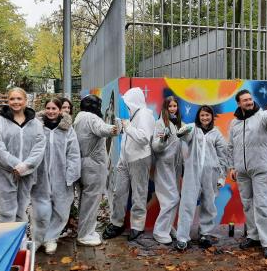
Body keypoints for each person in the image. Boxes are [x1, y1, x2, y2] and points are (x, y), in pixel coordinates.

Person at [227, 89, 267, 259]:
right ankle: (253, 236)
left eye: (250, 99)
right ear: (238, 103)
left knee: (263, 205)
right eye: (245, 100)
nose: (249, 102)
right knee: (247, 204)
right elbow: (230, 147)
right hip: (242, 171)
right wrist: (231, 167)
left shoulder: (263, 116)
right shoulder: (234, 123)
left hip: (260, 168)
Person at [102, 87, 155, 241]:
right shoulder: (135, 114)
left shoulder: (145, 115)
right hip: (125, 159)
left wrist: (128, 127)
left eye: (128, 101)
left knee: (139, 194)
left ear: (134, 101)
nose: (126, 104)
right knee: (119, 192)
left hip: (139, 159)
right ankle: (116, 223)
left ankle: (137, 226)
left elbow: (144, 138)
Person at [0, 87, 46, 223]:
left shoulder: (35, 123)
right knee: (5, 213)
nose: (15, 102)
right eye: (12, 99)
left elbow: (39, 146)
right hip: (4, 174)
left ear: (25, 101)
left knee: (21, 210)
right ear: (7, 101)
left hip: (27, 173)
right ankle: (5, 243)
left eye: (19, 98)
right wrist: (15, 165)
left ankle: (20, 242)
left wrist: (26, 165)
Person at [174, 105, 228, 251]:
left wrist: (222, 176)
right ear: (198, 116)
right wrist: (183, 133)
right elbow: (186, 136)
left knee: (209, 204)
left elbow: (223, 155)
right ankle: (183, 238)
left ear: (211, 116)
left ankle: (205, 233)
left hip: (211, 174)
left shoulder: (217, 133)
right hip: (192, 172)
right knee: (187, 203)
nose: (205, 118)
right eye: (202, 115)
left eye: (207, 115)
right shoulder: (192, 128)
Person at [31, 98, 81, 254]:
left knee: (61, 209)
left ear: (60, 110)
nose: (51, 111)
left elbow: (73, 154)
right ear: (44, 109)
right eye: (48, 108)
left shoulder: (68, 130)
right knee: (40, 210)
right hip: (40, 176)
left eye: (54, 108)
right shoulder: (36, 128)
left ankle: (51, 238)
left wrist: (71, 174)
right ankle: (38, 239)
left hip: (61, 176)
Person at [73, 94, 120, 246]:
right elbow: (102, 129)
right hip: (93, 166)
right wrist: (114, 128)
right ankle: (85, 234)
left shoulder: (79, 117)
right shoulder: (91, 118)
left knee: (85, 200)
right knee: (91, 201)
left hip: (83, 163)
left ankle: (85, 230)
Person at [151, 96, 184, 245]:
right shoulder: (160, 124)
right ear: (165, 108)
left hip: (176, 167)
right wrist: (163, 139)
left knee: (174, 198)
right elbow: (156, 147)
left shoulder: (179, 124)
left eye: (175, 106)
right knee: (171, 199)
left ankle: (168, 226)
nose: (173, 109)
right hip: (164, 166)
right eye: (170, 106)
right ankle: (159, 231)